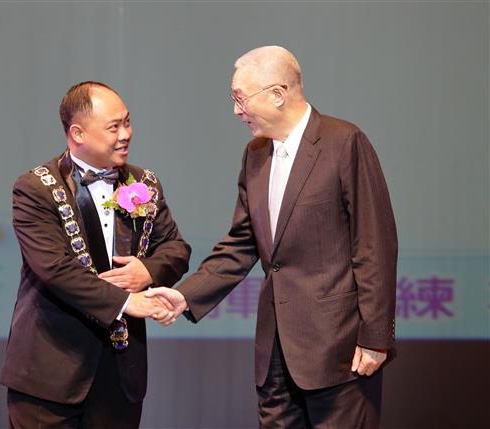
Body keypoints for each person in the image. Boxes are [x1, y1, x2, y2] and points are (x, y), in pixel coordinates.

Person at [148, 46, 398, 428]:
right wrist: (185, 295)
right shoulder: (255, 154)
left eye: (240, 98)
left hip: (339, 350)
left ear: (278, 94)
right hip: (275, 354)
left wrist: (375, 337)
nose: (236, 111)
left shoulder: (343, 143)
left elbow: (374, 244)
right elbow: (241, 244)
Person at [0, 81, 191, 428]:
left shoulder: (144, 183)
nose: (125, 134)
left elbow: (176, 249)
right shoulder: (35, 188)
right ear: (78, 133)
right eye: (113, 127)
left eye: (127, 122)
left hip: (120, 374)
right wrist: (127, 301)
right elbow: (55, 269)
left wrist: (148, 271)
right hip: (50, 372)